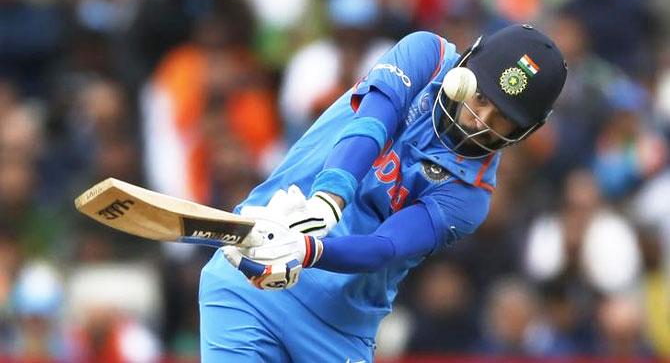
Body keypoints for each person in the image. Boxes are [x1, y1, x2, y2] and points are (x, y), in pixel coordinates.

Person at [199, 24, 568, 361]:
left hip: (336, 329)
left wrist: (306, 249)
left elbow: (385, 247)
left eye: (503, 115)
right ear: (467, 65)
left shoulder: (471, 196)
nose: (481, 120)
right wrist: (330, 198)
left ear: (527, 129)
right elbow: (373, 122)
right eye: (482, 97)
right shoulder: (427, 55)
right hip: (253, 264)